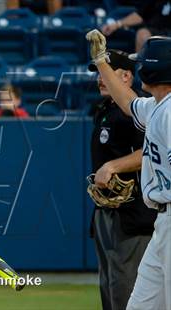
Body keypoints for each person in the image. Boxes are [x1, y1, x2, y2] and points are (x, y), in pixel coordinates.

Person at [86, 30, 171, 310]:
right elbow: (126, 101)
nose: (139, 67)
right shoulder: (157, 106)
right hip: (162, 222)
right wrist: (101, 61)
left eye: (143, 62)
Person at [101, 0, 171, 51]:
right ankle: (140, 68)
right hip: (155, 29)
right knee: (142, 34)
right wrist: (116, 25)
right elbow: (140, 15)